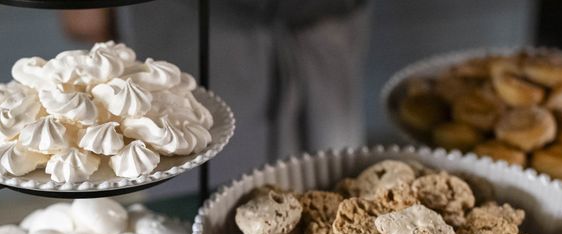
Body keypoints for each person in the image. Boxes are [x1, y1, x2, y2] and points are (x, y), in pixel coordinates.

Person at [61, 1, 371, 190]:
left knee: (335, 185)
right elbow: (87, 20)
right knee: (191, 188)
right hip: (198, 29)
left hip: (321, 24)